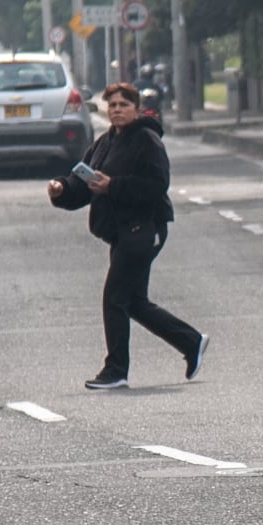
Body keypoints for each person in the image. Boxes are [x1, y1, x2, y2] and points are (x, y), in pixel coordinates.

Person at [52, 80, 208, 391]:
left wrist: (114, 186)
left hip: (143, 228)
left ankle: (116, 370)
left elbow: (156, 185)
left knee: (114, 298)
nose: (117, 110)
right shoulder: (105, 143)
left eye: (124, 105)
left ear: (136, 109)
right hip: (120, 232)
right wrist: (62, 189)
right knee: (133, 301)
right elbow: (83, 185)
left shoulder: (147, 140)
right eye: (112, 105)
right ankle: (191, 342)